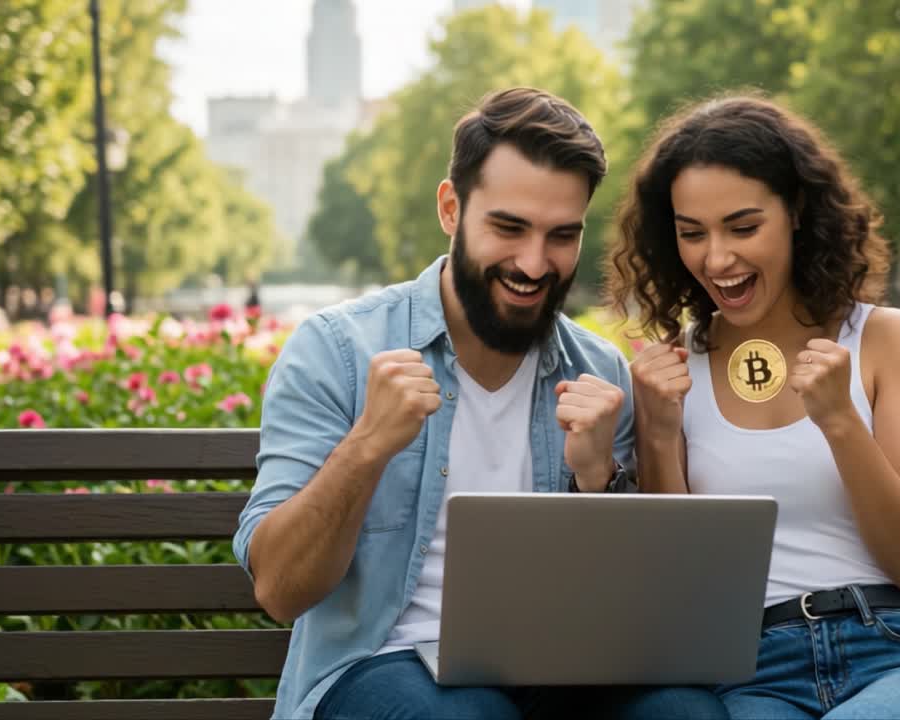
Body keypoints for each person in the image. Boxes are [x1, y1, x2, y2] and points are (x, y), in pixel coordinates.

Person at [236, 87, 728, 720]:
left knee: (686, 713)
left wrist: (598, 480)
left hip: (558, 674)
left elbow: (639, 607)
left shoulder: (597, 371)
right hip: (378, 666)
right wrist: (367, 448)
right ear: (451, 208)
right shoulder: (337, 350)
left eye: (562, 236)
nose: (534, 263)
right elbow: (280, 590)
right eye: (508, 227)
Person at [607, 95, 900, 720]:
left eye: (743, 227)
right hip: (752, 673)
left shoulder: (885, 339)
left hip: (890, 651)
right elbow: (685, 591)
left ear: (798, 211)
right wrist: (660, 433)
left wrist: (840, 421)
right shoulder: (673, 371)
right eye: (692, 233)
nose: (716, 259)